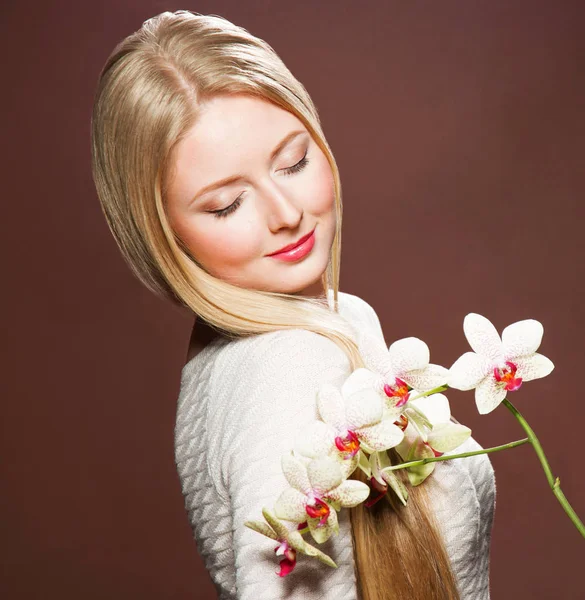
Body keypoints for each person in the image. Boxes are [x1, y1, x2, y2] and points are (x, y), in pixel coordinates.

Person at [90, 10, 495, 600]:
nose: (285, 213)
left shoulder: (330, 321)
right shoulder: (287, 365)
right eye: (226, 204)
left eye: (294, 161)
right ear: (163, 234)